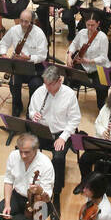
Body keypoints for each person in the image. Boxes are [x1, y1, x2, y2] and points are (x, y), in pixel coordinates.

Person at [27, 64, 82, 203]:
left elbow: (75, 119)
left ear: (59, 81)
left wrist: (63, 138)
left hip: (61, 133)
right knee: (25, 149)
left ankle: (55, 193)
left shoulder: (69, 95)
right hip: (42, 130)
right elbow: (31, 110)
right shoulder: (40, 91)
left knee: (58, 158)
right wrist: (34, 116)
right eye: (45, 84)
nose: (47, 88)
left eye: (51, 84)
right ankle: (29, 185)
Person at [0, 9, 48, 116]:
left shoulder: (39, 34)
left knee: (35, 84)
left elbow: (43, 56)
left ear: (33, 22)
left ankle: (31, 109)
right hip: (18, 66)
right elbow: (3, 43)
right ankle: (17, 105)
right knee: (13, 83)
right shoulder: (14, 30)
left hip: (35, 67)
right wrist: (4, 55)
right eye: (21, 20)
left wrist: (29, 58)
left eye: (26, 21)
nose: (22, 24)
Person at [67, 11, 111, 109]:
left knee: (102, 88)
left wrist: (87, 61)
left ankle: (103, 111)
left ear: (98, 23)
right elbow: (74, 44)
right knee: (68, 77)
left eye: (93, 25)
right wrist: (69, 56)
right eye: (88, 25)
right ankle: (65, 105)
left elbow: (103, 57)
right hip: (84, 65)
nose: (90, 28)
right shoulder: (82, 32)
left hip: (100, 68)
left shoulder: (102, 37)